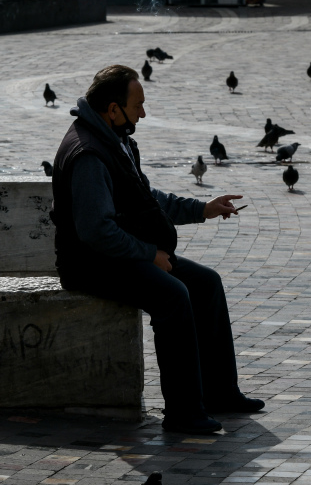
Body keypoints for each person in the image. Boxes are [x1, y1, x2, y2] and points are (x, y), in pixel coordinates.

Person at [50, 65, 264, 435]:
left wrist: (202, 208)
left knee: (206, 283)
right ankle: (183, 413)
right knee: (172, 295)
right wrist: (149, 254)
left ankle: (220, 394)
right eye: (138, 105)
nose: (143, 114)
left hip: (121, 252)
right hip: (91, 263)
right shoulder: (89, 154)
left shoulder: (115, 139)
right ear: (112, 108)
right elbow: (95, 231)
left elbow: (146, 200)